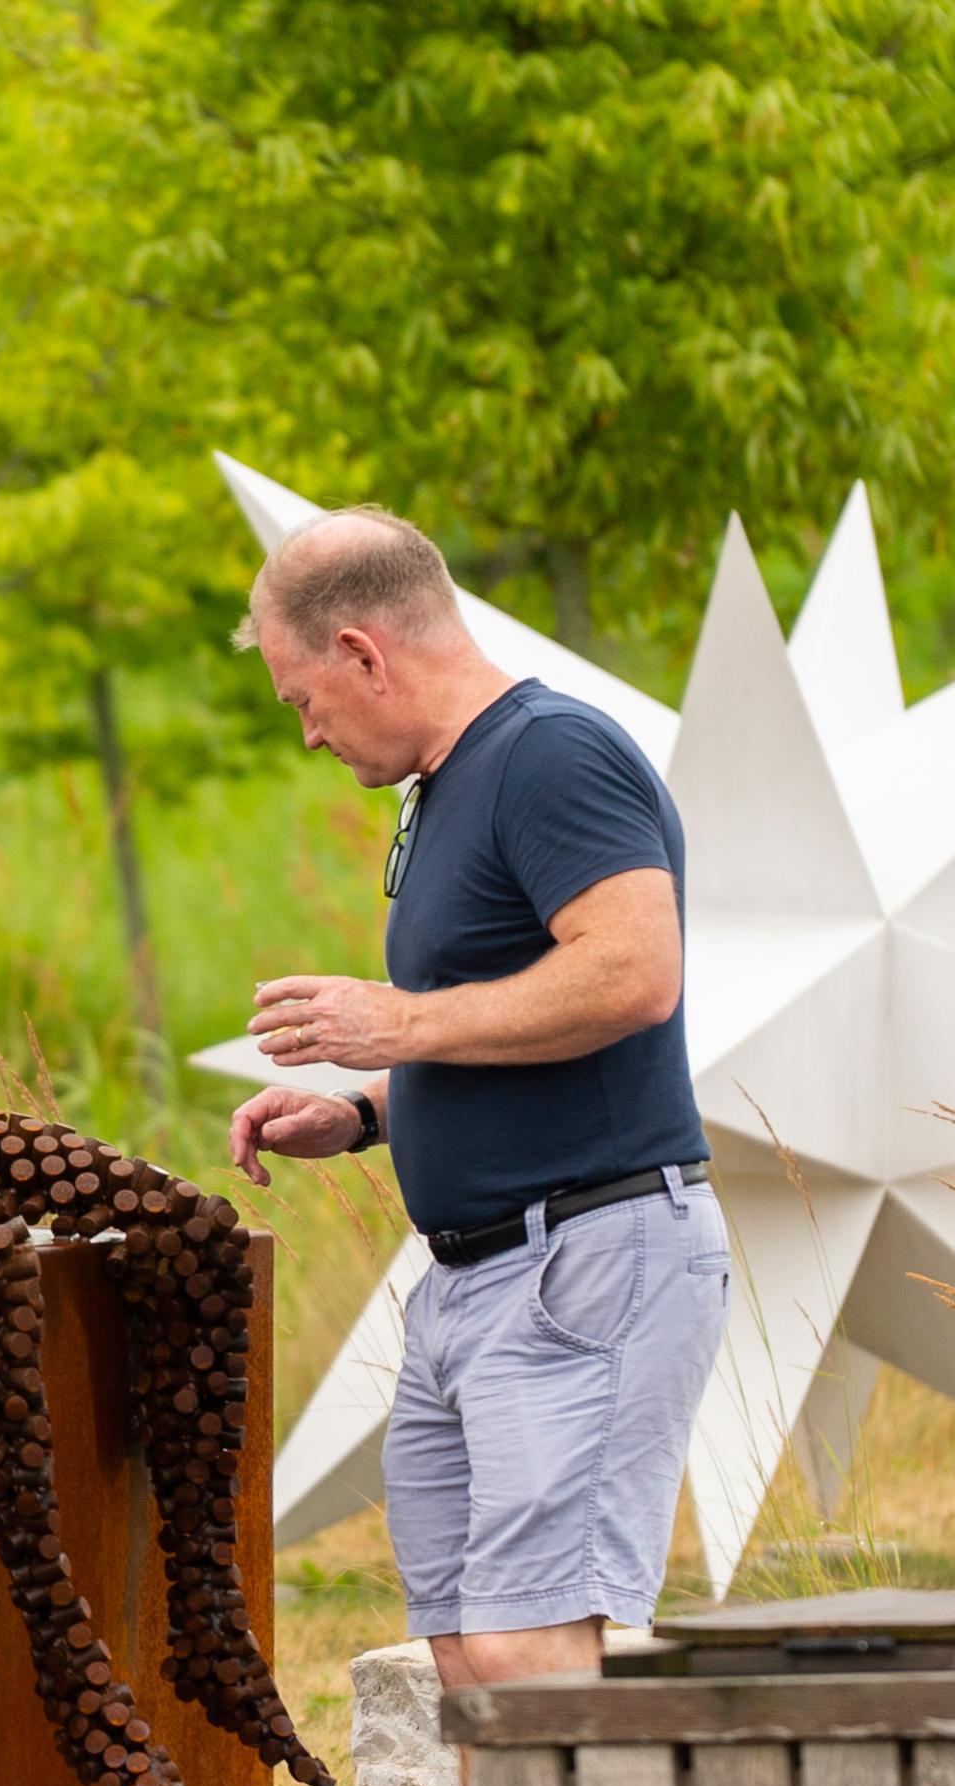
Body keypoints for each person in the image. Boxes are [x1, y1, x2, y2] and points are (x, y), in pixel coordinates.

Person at [226, 505, 727, 1713]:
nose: (306, 733)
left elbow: (630, 972)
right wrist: (366, 1111)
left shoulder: (551, 753)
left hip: (584, 1264)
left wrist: (391, 1022)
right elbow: (517, 1017)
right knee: (469, 1658)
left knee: (531, 1655)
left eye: (303, 699)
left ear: (361, 651)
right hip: (471, 1281)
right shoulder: (445, 786)